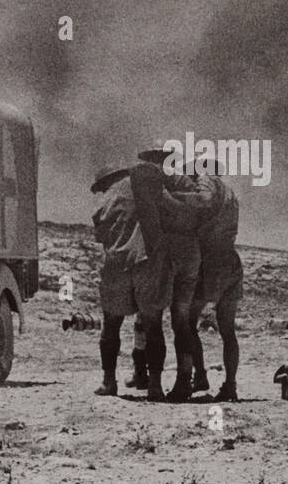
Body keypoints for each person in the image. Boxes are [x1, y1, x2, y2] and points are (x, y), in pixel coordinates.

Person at [90, 163, 166, 401]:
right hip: (147, 262)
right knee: (153, 327)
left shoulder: (108, 198)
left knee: (111, 325)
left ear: (106, 182)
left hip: (118, 264)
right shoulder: (149, 190)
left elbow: (100, 234)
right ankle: (155, 387)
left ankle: (109, 382)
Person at [133, 149, 204, 402]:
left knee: (153, 321)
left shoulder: (151, 180)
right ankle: (184, 381)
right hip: (191, 251)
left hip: (166, 251)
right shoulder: (186, 181)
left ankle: (154, 385)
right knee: (182, 321)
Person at [186, 167, 241, 402]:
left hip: (209, 261)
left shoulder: (206, 182)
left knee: (187, 322)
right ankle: (230, 385)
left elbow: (204, 201)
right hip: (231, 259)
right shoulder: (230, 192)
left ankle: (199, 375)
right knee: (228, 330)